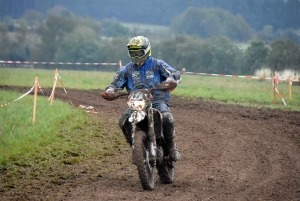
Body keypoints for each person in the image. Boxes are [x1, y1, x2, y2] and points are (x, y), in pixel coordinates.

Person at [102, 36, 181, 161]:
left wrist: (171, 81)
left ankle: (171, 147)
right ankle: (136, 147)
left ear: (146, 51)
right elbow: (114, 84)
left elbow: (175, 74)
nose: (135, 55)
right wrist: (110, 91)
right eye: (133, 52)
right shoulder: (127, 69)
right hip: (136, 102)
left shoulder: (157, 64)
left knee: (166, 117)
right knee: (123, 121)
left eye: (138, 52)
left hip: (157, 99)